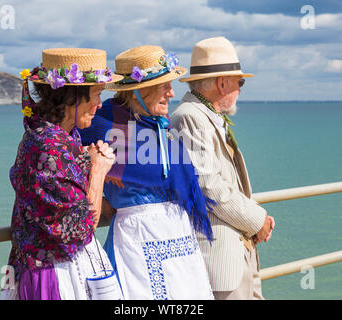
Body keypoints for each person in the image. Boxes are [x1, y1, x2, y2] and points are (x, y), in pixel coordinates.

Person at [79, 45, 214, 300]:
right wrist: (101, 190)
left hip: (180, 246)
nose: (172, 93)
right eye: (164, 86)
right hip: (137, 243)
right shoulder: (103, 125)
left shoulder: (160, 129)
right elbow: (74, 160)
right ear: (140, 90)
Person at [0, 48, 124, 300]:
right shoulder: (52, 148)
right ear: (73, 97)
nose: (100, 105)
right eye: (97, 95)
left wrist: (87, 163)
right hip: (53, 277)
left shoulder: (46, 136)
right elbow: (81, 229)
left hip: (44, 270)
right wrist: (98, 171)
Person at [170, 37, 275, 300]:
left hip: (237, 255)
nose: (240, 89)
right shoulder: (190, 116)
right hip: (221, 262)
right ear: (222, 83)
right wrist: (256, 219)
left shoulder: (203, 116)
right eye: (240, 82)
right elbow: (207, 186)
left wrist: (255, 218)